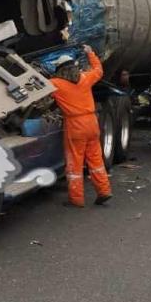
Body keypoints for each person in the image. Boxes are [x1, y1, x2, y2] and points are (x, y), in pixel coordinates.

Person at [51, 45, 112, 208]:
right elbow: (99, 70)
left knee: (75, 163)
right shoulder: (85, 78)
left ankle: (76, 199)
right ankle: (104, 191)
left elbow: (39, 94)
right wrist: (90, 53)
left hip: (75, 125)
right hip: (92, 122)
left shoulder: (55, 84)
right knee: (96, 159)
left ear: (59, 69)